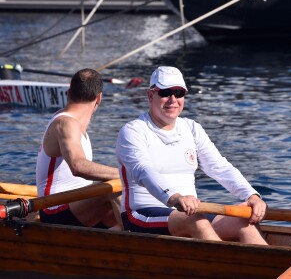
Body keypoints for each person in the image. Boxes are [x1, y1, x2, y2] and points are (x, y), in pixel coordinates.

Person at [116, 66, 267, 244]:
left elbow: (219, 167)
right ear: (150, 95)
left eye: (179, 93)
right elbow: (143, 171)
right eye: (165, 92)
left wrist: (251, 195)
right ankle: (225, 269)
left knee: (243, 222)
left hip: (187, 213)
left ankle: (272, 271)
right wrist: (175, 197)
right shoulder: (133, 131)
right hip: (141, 215)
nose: (173, 100)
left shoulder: (191, 128)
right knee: (196, 220)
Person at [36, 68, 122, 230]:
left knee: (133, 196)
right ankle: (134, 242)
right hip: (54, 209)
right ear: (99, 98)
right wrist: (127, 174)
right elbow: (78, 166)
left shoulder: (72, 125)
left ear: (68, 93)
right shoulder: (66, 123)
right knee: (115, 186)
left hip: (77, 206)